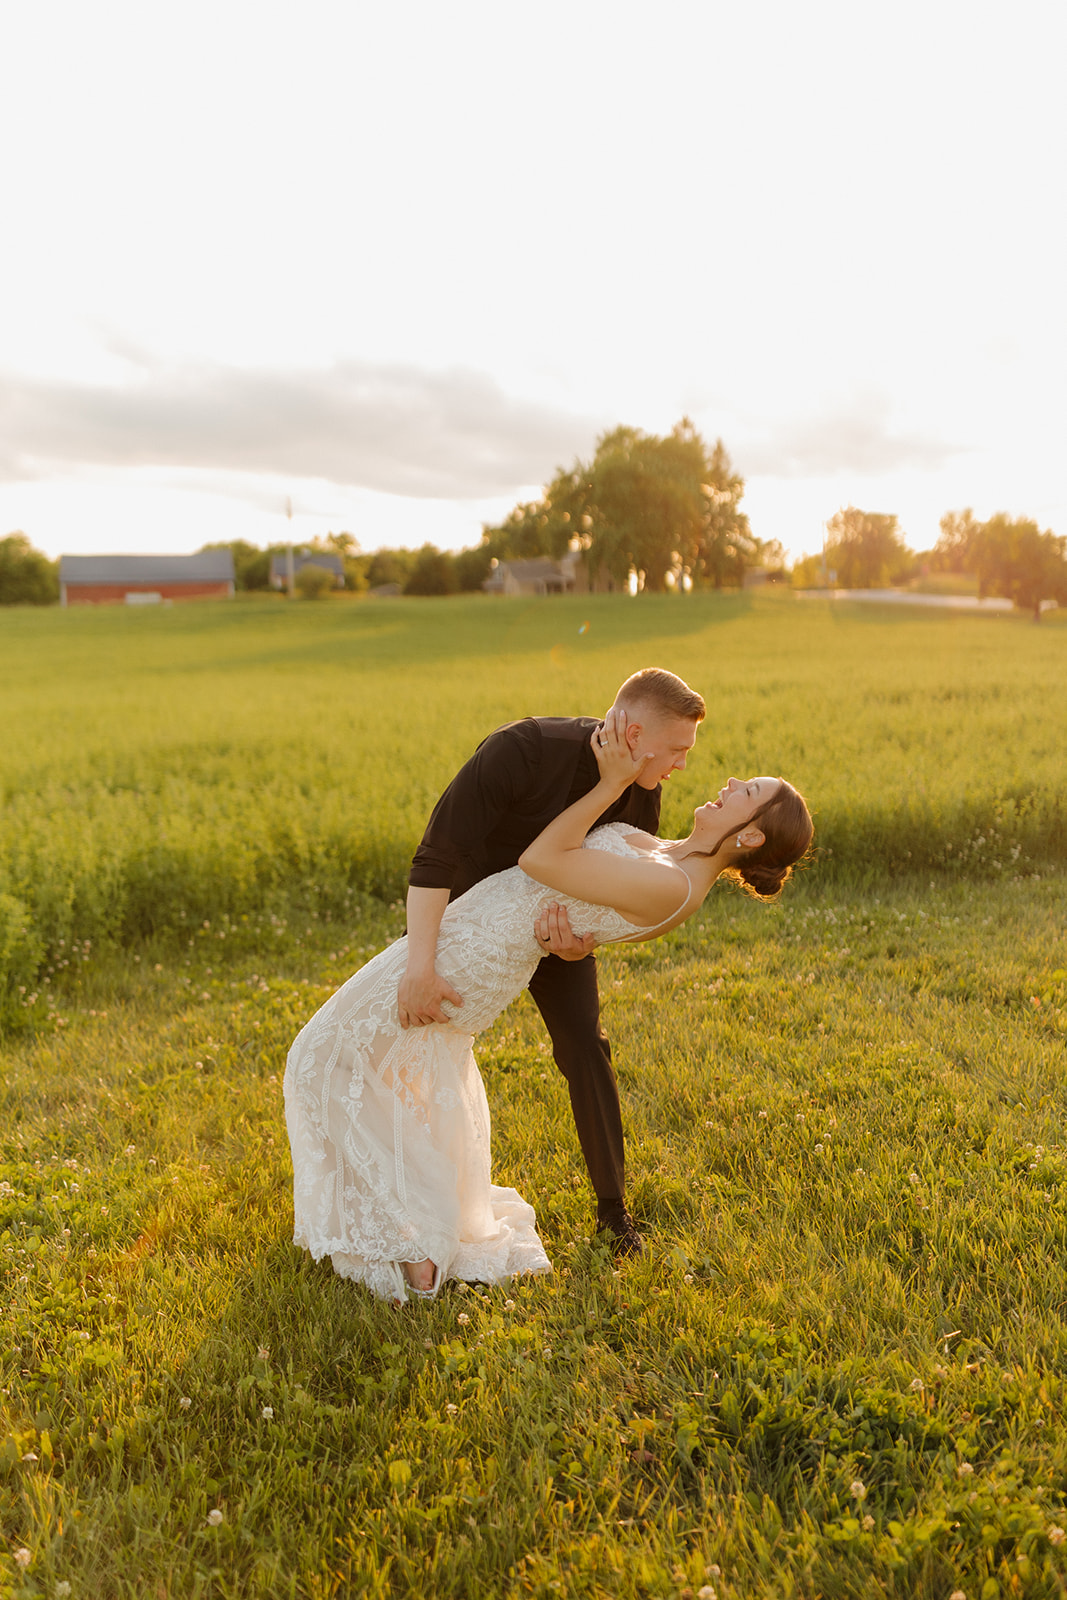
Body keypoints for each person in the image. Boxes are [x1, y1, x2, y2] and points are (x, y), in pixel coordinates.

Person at [283, 707, 813, 1303]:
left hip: (474, 955)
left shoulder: (677, 885)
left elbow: (541, 861)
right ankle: (424, 1231)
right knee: (389, 1068)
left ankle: (417, 1244)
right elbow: (587, 906)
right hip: (469, 932)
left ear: (752, 836)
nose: (724, 785)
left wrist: (611, 784)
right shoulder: (673, 853)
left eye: (745, 793)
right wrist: (574, 942)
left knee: (321, 1057)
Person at [400, 667, 706, 1259]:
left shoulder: (644, 792)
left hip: (553, 933)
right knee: (418, 1042)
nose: (682, 765)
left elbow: (616, 893)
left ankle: (614, 1214)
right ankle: (415, 1205)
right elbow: (436, 855)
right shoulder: (524, 749)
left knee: (585, 1045)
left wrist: (579, 944)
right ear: (635, 734)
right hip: (467, 924)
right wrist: (420, 963)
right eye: (677, 750)